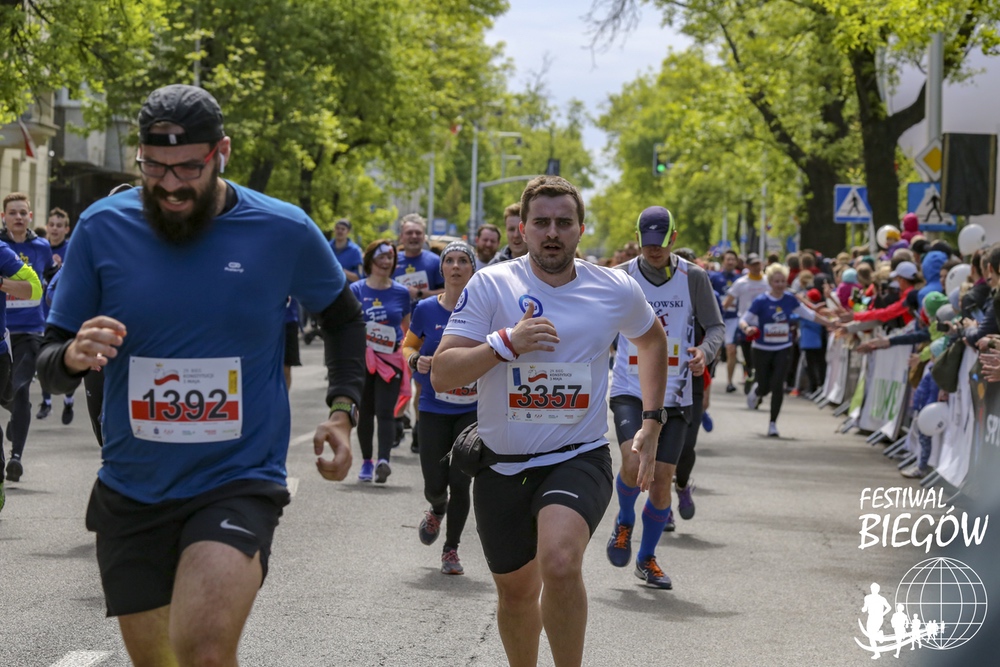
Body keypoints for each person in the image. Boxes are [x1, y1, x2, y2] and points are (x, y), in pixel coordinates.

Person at [35, 84, 366, 665]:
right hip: (132, 487)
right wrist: (70, 357)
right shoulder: (102, 227)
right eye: (153, 167)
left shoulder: (283, 229)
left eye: (188, 167)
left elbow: (343, 319)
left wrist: (342, 411)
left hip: (237, 478)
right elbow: (50, 364)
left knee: (205, 648)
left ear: (222, 153)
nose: (170, 184)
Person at [432, 175, 668, 667]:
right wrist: (505, 344)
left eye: (564, 222)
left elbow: (651, 340)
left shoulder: (614, 288)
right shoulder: (491, 284)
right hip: (501, 463)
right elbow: (443, 373)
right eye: (541, 223)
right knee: (517, 595)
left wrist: (651, 420)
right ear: (523, 229)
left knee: (560, 563)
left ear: (581, 228)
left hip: (577, 456)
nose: (553, 232)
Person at [605, 207, 723, 589]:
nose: (654, 249)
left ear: (673, 238)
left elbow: (716, 327)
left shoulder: (694, 277)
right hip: (630, 387)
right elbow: (599, 325)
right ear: (638, 239)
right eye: (647, 242)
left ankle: (646, 558)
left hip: (676, 392)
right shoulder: (622, 276)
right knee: (632, 461)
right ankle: (625, 519)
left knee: (660, 481)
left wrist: (705, 351)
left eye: (660, 242)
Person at [401, 241, 478, 575]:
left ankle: (451, 550)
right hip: (433, 406)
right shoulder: (426, 309)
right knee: (434, 482)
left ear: (472, 269)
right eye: (450, 261)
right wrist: (415, 360)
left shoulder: (484, 309)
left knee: (461, 481)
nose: (456, 266)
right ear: (442, 268)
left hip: (471, 409)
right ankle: (436, 506)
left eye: (463, 261)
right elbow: (408, 345)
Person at [740, 263, 833, 437]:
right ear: (770, 282)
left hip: (783, 347)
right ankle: (758, 391)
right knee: (765, 386)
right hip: (761, 348)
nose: (780, 284)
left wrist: (830, 323)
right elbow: (744, 319)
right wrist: (747, 329)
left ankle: (773, 423)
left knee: (777, 385)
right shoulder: (761, 301)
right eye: (776, 281)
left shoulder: (790, 299)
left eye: (783, 281)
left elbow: (809, 315)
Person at [0, 192, 55, 482]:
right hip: (4, 331)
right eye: (13, 212)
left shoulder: (42, 247)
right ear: (4, 217)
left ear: (30, 216)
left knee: (21, 389)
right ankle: (14, 412)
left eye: (23, 212)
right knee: (9, 395)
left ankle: (16, 458)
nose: (18, 217)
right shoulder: (1, 247)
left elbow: (52, 282)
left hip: (30, 330)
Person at [351, 240, 412, 483]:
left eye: (390, 257)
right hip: (363, 360)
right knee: (365, 411)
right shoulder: (356, 290)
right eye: (382, 257)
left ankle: (383, 461)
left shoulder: (401, 292)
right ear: (370, 260)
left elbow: (406, 327)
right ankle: (367, 461)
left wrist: (406, 353)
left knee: (386, 411)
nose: (386, 262)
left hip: (391, 360)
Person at [38, 207, 77, 423]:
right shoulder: (40, 248)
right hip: (42, 313)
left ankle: (69, 401)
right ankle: (46, 402)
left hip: (66, 313)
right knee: (44, 357)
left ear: (66, 229)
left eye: (59, 226)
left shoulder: (72, 249)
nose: (54, 229)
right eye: (51, 225)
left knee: (67, 357)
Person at [723, 253, 768, 393]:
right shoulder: (741, 283)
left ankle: (759, 381)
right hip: (745, 326)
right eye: (753, 265)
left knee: (762, 357)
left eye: (758, 264)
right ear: (747, 266)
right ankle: (750, 375)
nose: (756, 267)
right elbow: (726, 303)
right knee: (748, 358)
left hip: (764, 325)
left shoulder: (768, 281)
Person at [710, 249, 742, 392]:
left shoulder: (740, 279)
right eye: (728, 259)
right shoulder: (714, 277)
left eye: (733, 259)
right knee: (715, 350)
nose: (730, 262)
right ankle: (709, 374)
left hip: (732, 319)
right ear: (723, 261)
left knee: (731, 349)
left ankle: (729, 382)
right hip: (717, 318)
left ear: (736, 262)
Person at [329, 218, 363, 283]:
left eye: (343, 229)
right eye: (337, 228)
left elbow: (359, 277)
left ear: (348, 232)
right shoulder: (327, 247)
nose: (339, 231)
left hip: (347, 288)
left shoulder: (355, 251)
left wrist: (340, 270)